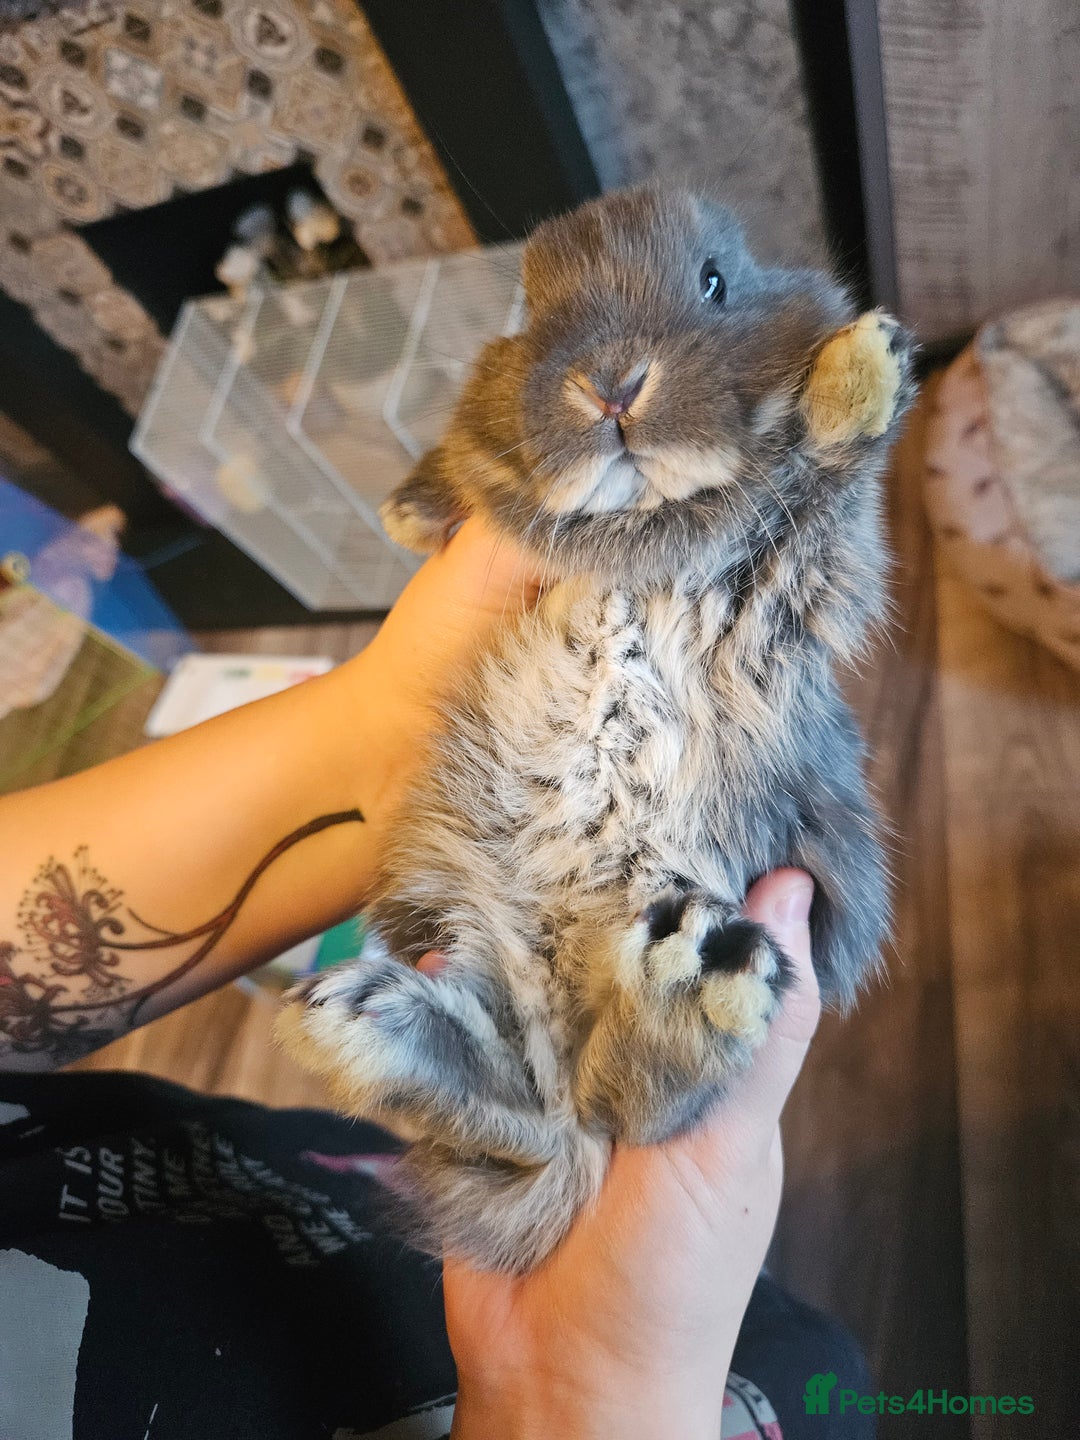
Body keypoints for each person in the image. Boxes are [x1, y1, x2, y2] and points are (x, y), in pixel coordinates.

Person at [0, 521, 873, 1438]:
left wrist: (386, 742)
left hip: (235, 1200)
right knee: (815, 1376)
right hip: (582, 1381)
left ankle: (509, 1089)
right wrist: (577, 1397)